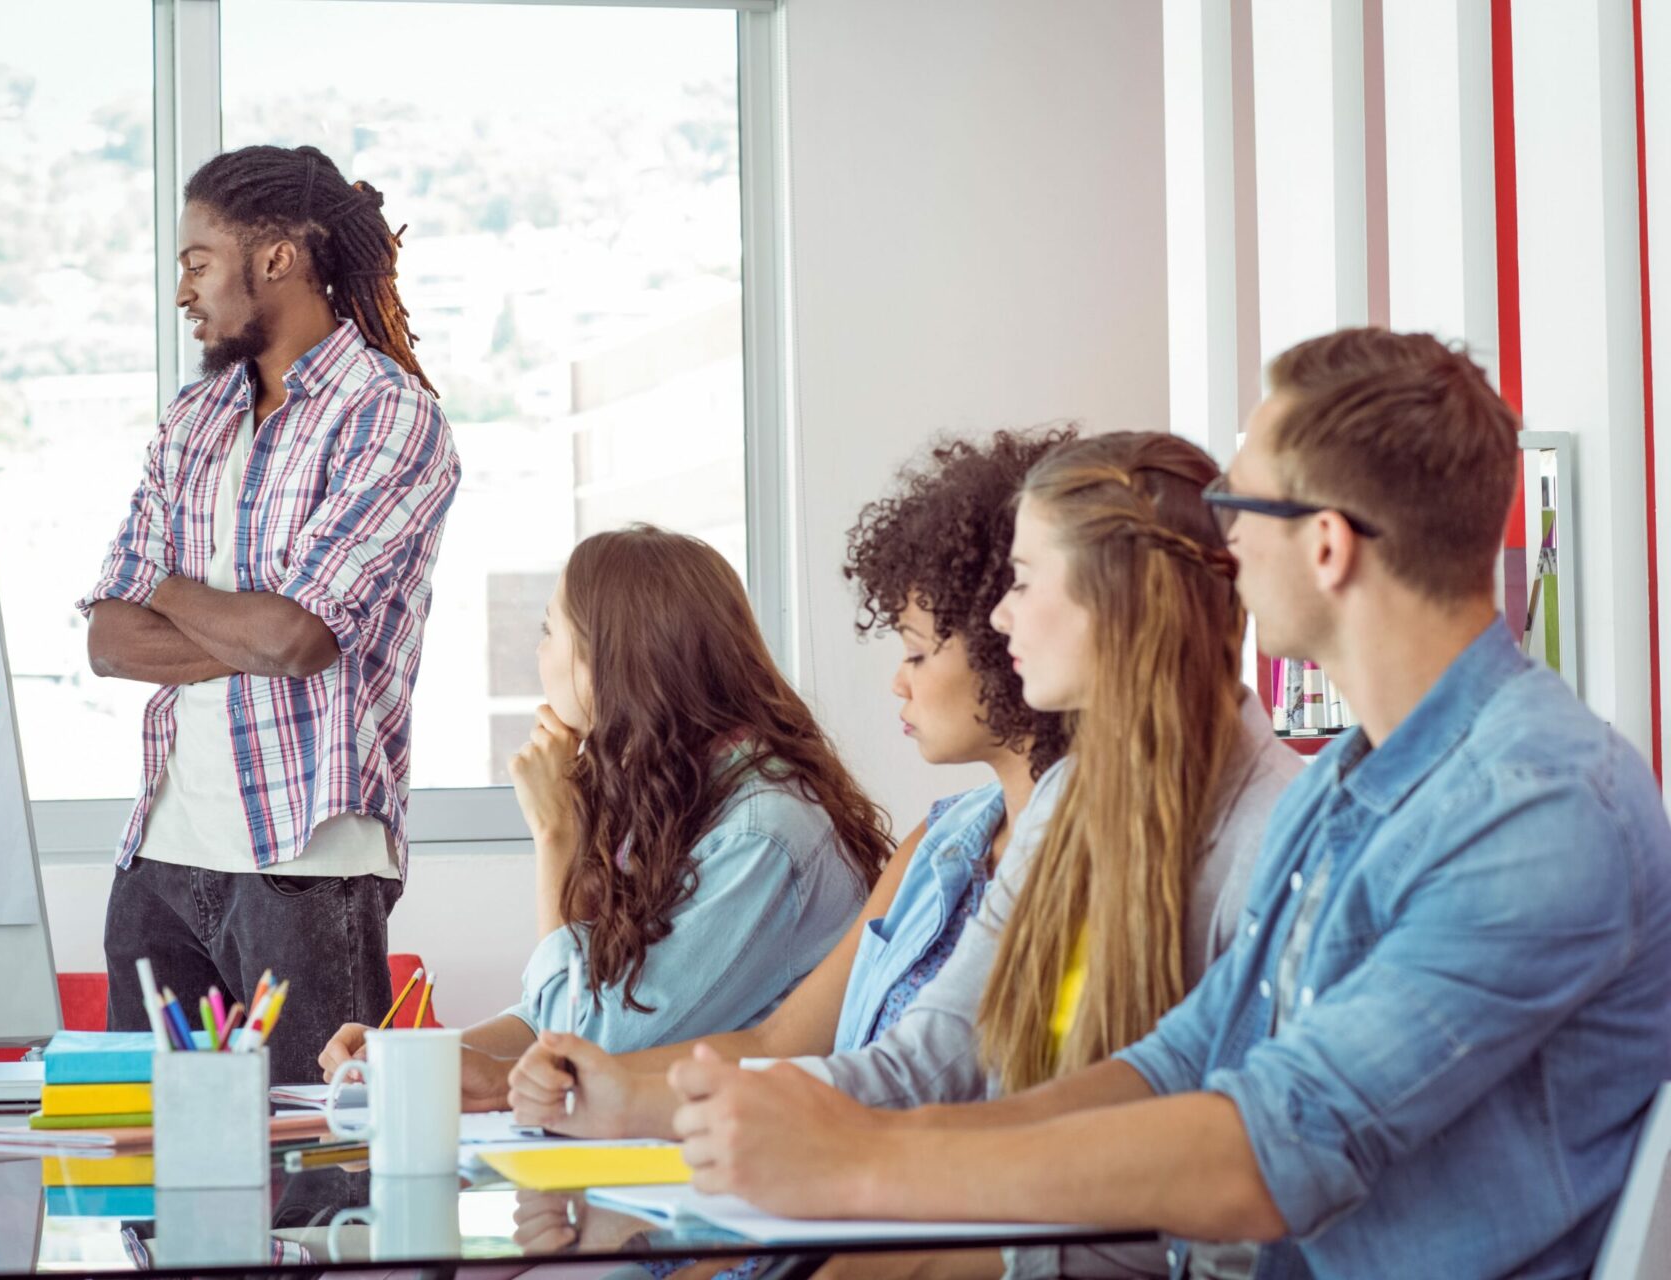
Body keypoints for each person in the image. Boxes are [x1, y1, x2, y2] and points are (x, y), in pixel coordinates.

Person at [670, 331, 1671, 1280]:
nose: (1222, 537)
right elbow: (1182, 1056)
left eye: (1244, 501)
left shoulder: (1535, 808)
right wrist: (880, 1136)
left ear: (1326, 546)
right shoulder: (1350, 780)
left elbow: (1277, 1142)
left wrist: (862, 1168)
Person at [506, 428, 1076, 1145]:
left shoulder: (767, 830)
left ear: (1007, 650)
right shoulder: (941, 841)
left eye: (916, 652)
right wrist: (475, 1066)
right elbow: (782, 1043)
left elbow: (903, 1078)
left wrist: (556, 839)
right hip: (839, 1172)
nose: (897, 680)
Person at [77, 143, 460, 1084]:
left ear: (278, 257)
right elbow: (107, 641)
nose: (182, 291)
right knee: (153, 1181)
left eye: (197, 261)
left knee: (315, 1181)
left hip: (305, 856)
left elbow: (297, 640)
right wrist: (237, 622)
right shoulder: (192, 420)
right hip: (161, 861)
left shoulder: (389, 417)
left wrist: (163, 584)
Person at [320, 525, 889, 1108]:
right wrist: (411, 1059)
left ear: (606, 663)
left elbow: (583, 1043)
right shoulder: (673, 798)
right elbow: (556, 1010)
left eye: (549, 630)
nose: (538, 654)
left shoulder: (763, 834)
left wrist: (554, 837)